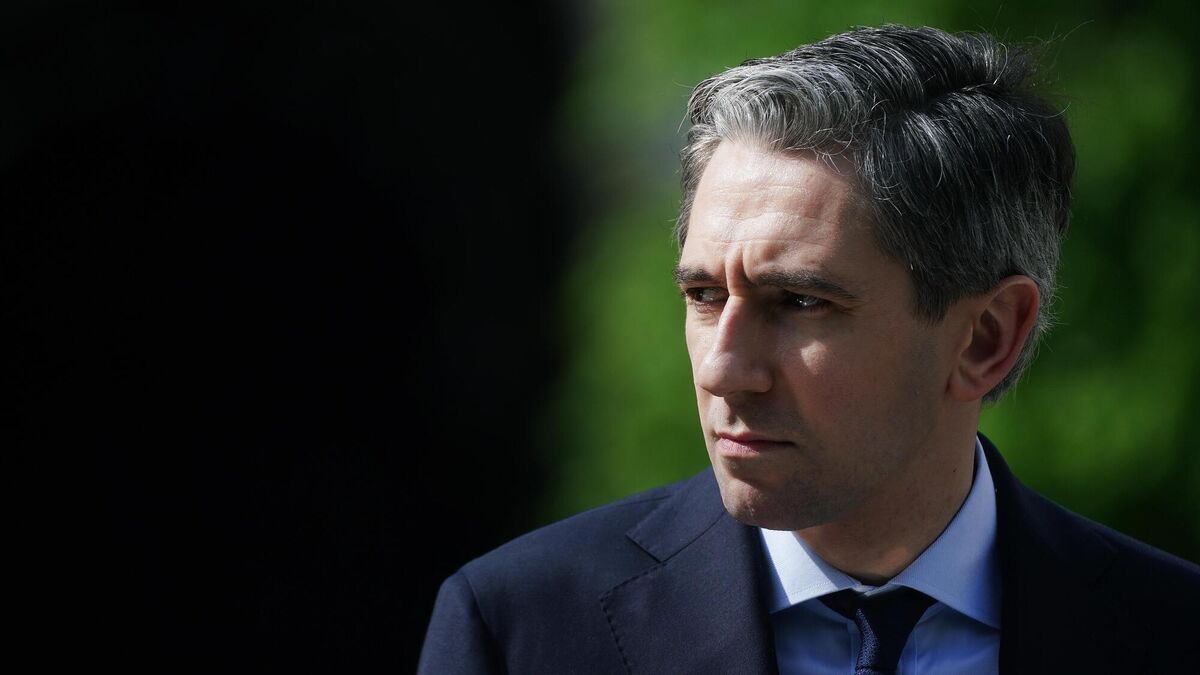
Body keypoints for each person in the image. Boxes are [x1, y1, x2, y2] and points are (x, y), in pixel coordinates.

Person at [418, 24, 1200, 674]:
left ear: (987, 337)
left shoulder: (1166, 632)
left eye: (799, 302)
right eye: (704, 295)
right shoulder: (521, 630)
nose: (723, 368)